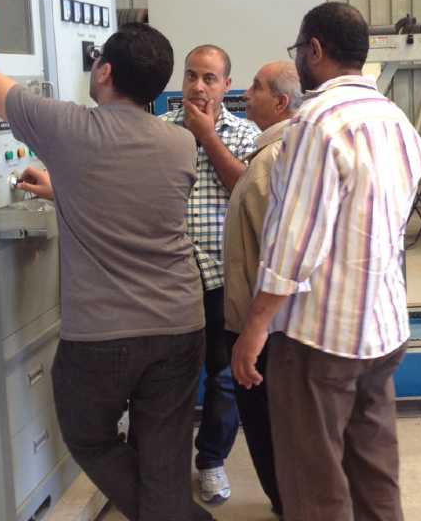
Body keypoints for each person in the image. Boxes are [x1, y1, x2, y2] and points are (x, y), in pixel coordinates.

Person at [0, 0, 209, 521]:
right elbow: (130, 206)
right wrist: (60, 190)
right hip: (180, 324)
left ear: (104, 72)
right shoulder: (181, 144)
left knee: (89, 436)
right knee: (165, 456)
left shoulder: (68, 128)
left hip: (103, 338)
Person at [231, 2, 421, 521]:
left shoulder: (316, 123)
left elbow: (292, 245)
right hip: (381, 331)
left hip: (319, 341)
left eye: (299, 49)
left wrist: (255, 327)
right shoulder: (395, 119)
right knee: (374, 472)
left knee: (314, 486)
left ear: (314, 50)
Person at [162, 45, 259, 504]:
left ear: (226, 86)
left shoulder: (245, 134)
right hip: (168, 279)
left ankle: (211, 461)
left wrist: (207, 136)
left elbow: (245, 187)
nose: (198, 87)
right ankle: (163, 466)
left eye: (209, 78)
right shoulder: (160, 131)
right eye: (191, 76)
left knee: (223, 378)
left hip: (223, 276)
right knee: (166, 378)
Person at [222, 61, 303, 517]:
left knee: (269, 428)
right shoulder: (269, 153)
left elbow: (280, 256)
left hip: (265, 329)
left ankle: (289, 506)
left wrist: (253, 330)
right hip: (260, 322)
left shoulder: (275, 160)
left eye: (256, 87)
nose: (246, 94)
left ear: (281, 102)